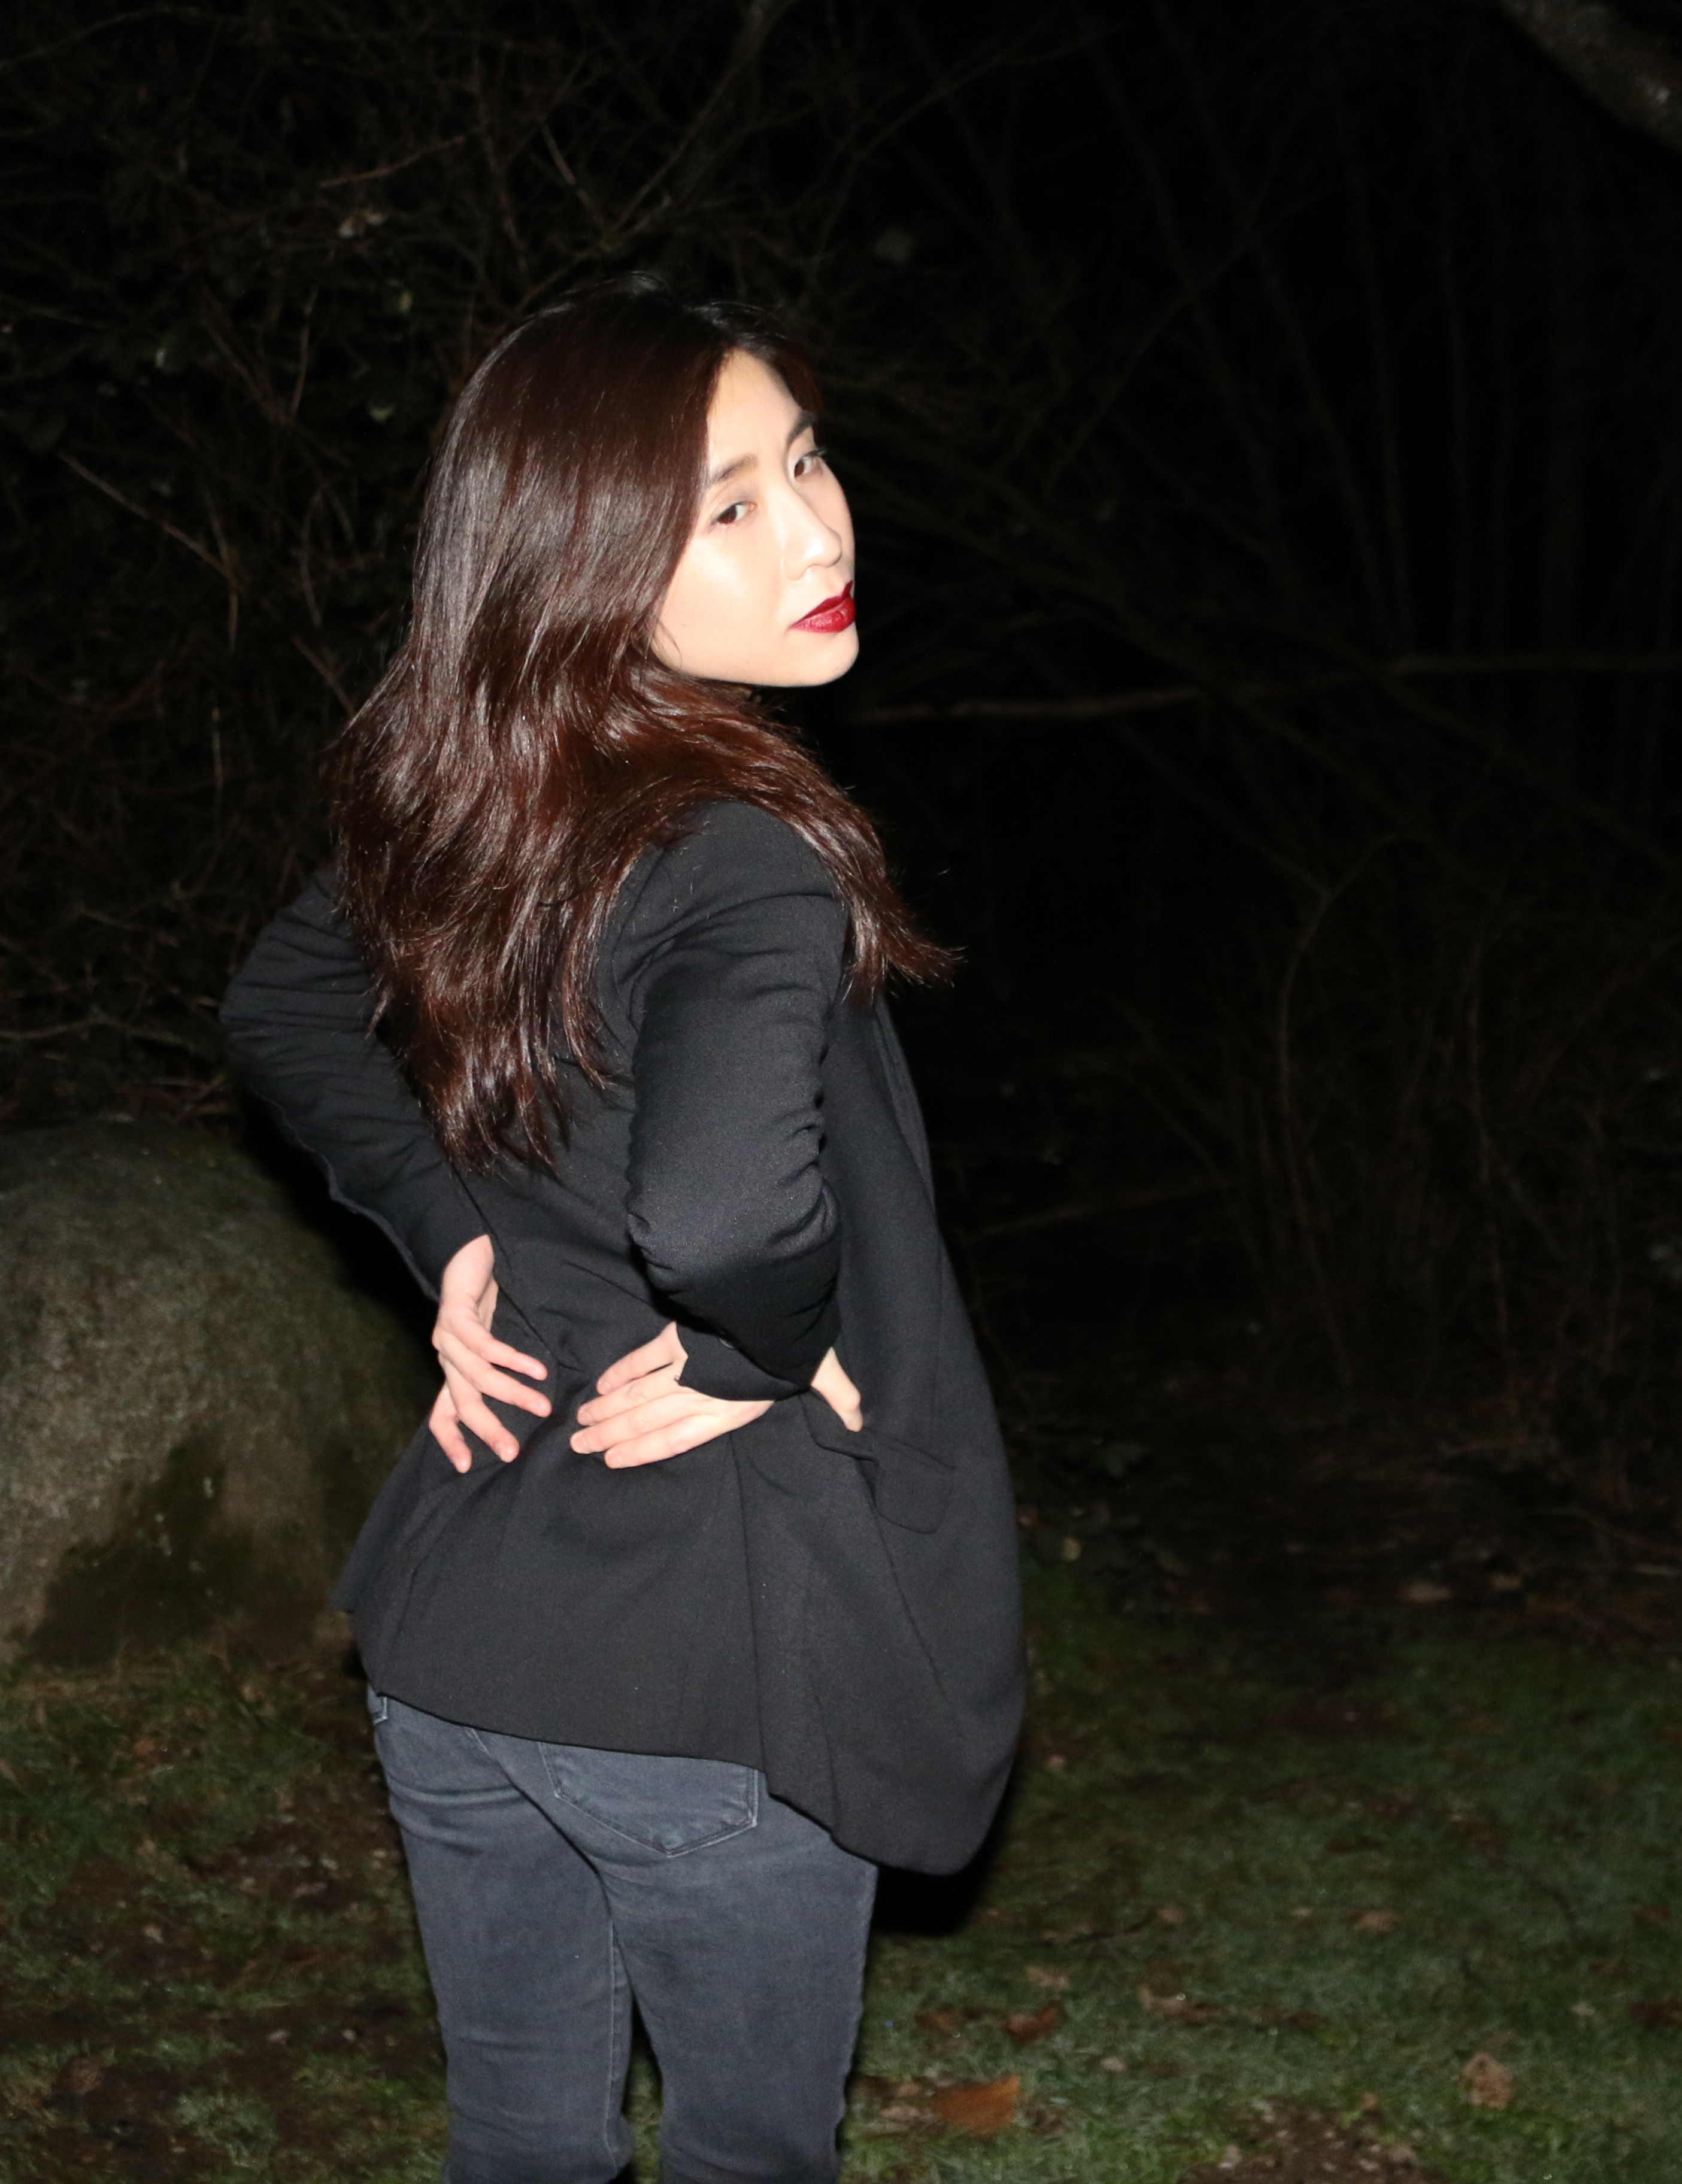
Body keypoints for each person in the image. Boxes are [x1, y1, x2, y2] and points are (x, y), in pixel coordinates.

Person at [216, 277, 1024, 2184]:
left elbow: (276, 1004)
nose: (814, 534)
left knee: (519, 2138)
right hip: (711, 1668)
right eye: (727, 506)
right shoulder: (747, 860)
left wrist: (449, 1231)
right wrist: (762, 1343)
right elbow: (723, 1210)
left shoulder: (476, 793)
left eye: (804, 462)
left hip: (457, 1637)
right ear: (583, 555)